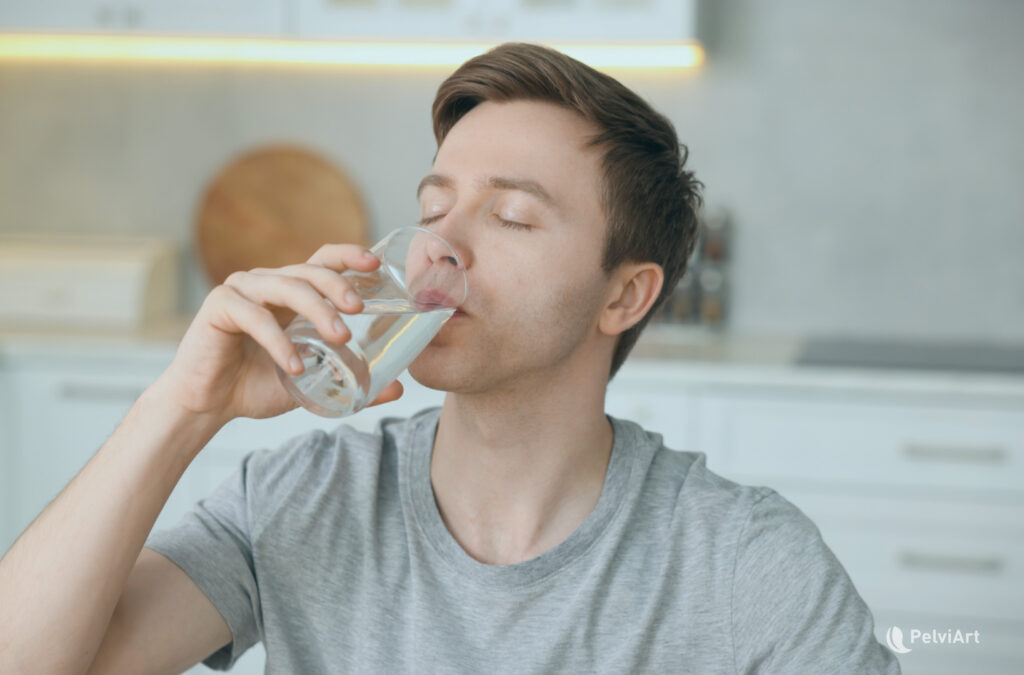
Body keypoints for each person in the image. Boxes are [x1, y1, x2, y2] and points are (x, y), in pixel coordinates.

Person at [0, 43, 899, 674]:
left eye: (510, 217)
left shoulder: (743, 563)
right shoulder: (301, 499)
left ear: (624, 295)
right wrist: (182, 407)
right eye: (432, 209)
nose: (437, 247)